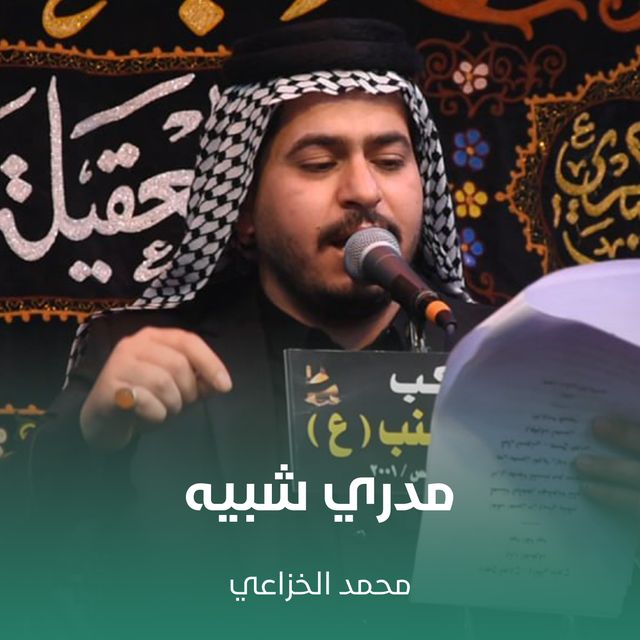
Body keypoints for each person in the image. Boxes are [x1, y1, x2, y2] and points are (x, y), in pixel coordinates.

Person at [27, 17, 639, 640]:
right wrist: (93, 435)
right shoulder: (142, 358)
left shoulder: (517, 360)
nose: (364, 191)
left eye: (390, 160)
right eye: (319, 163)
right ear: (242, 210)